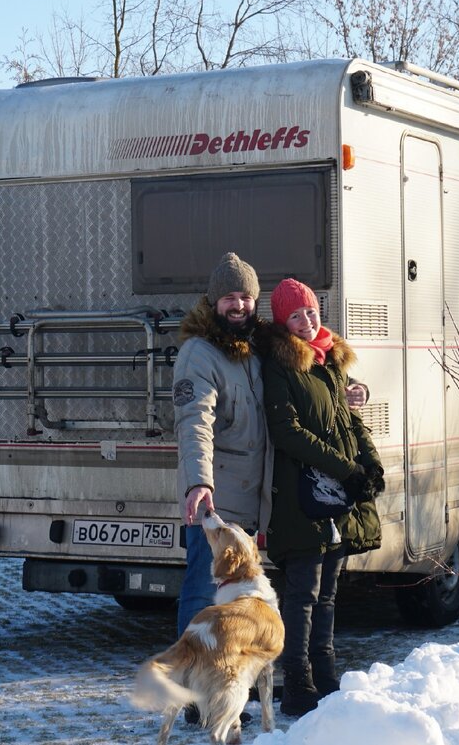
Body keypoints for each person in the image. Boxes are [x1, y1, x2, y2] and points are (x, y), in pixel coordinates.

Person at [256, 277, 384, 717]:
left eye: (310, 311)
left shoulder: (329, 360)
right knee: (302, 594)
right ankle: (296, 682)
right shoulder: (281, 365)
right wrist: (346, 470)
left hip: (333, 497)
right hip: (299, 497)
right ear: (282, 322)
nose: (307, 321)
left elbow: (347, 421)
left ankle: (325, 676)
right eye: (296, 315)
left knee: (328, 592)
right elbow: (288, 432)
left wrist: (369, 465)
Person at [172, 252, 271, 639]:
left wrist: (349, 388)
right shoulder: (199, 354)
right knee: (202, 595)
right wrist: (199, 482)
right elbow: (194, 421)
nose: (238, 305)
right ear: (213, 302)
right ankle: (193, 690)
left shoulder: (258, 349)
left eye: (245, 297)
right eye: (229, 297)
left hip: (249, 503)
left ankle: (222, 682)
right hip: (213, 505)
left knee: (235, 604)